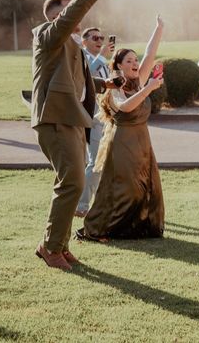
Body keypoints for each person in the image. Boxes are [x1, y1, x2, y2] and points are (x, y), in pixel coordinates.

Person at [31, 0, 119, 271]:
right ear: (58, 16)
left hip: (72, 118)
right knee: (72, 183)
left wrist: (106, 84)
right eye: (70, 10)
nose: (77, 17)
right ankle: (50, 247)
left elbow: (77, 81)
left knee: (71, 182)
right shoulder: (46, 34)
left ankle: (59, 244)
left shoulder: (72, 46)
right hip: (54, 118)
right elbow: (65, 24)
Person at [76, 17, 165, 242]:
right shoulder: (114, 86)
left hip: (142, 143)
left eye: (136, 60)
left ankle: (135, 227)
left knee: (144, 186)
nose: (135, 63)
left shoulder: (140, 81)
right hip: (122, 144)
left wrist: (159, 28)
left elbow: (150, 53)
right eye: (129, 61)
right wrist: (150, 89)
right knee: (123, 189)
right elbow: (125, 106)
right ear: (118, 66)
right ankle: (99, 228)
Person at [75, 27, 115, 217]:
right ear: (84, 41)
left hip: (102, 116)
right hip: (89, 117)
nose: (100, 40)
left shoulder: (102, 60)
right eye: (95, 38)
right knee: (96, 161)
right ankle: (82, 205)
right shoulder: (82, 56)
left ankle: (97, 202)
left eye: (101, 37)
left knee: (99, 161)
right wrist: (103, 58)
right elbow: (85, 78)